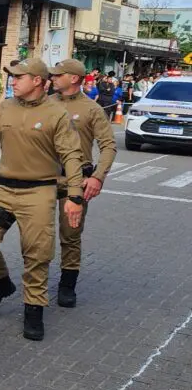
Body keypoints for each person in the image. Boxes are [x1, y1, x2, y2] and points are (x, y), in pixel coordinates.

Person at [0, 58, 85, 342]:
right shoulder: (4, 107)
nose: (13, 81)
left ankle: (34, 309)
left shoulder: (57, 113)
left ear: (37, 81)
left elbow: (72, 155)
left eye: (19, 77)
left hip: (39, 190)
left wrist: (75, 196)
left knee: (37, 252)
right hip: (2, 187)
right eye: (12, 77)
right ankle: (0, 282)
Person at [48, 58, 117, 308]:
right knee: (37, 234)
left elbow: (108, 145)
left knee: (70, 234)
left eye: (58, 75)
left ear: (74, 78)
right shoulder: (45, 103)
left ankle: (67, 285)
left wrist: (98, 176)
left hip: (76, 179)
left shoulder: (91, 109)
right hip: (43, 178)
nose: (53, 78)